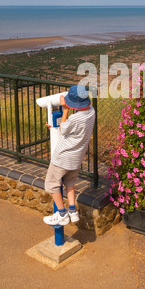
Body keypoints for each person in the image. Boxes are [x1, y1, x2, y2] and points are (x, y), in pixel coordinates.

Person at [43, 84, 96, 227]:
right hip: (76, 158)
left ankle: (62, 214)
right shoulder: (91, 112)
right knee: (70, 183)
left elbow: (64, 129)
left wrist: (65, 109)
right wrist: (54, 126)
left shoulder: (74, 119)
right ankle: (72, 211)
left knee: (51, 185)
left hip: (62, 158)